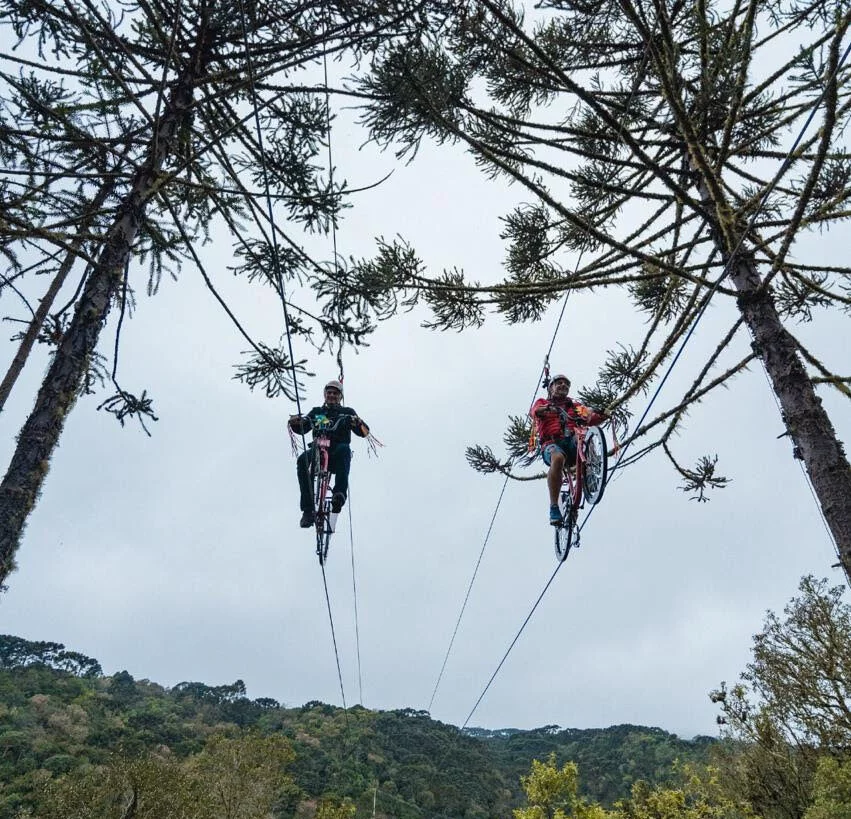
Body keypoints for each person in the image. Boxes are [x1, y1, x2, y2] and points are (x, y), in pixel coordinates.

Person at [289, 380, 369, 528]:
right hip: (318, 449)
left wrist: (357, 423)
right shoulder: (318, 412)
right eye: (329, 393)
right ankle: (308, 510)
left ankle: (339, 495)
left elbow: (364, 432)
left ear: (340, 396)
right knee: (302, 460)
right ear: (325, 395)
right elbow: (303, 427)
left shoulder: (347, 412)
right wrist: (296, 422)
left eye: (335, 393)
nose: (332, 395)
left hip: (337, 452)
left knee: (345, 450)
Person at [530, 374, 607, 526]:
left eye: (566, 384)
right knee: (557, 458)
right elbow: (535, 411)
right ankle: (554, 506)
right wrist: (545, 409)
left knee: (585, 439)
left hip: (572, 442)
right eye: (559, 383)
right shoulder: (543, 402)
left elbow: (590, 417)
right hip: (551, 444)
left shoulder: (575, 406)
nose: (563, 385)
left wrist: (603, 415)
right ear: (551, 387)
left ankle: (590, 477)